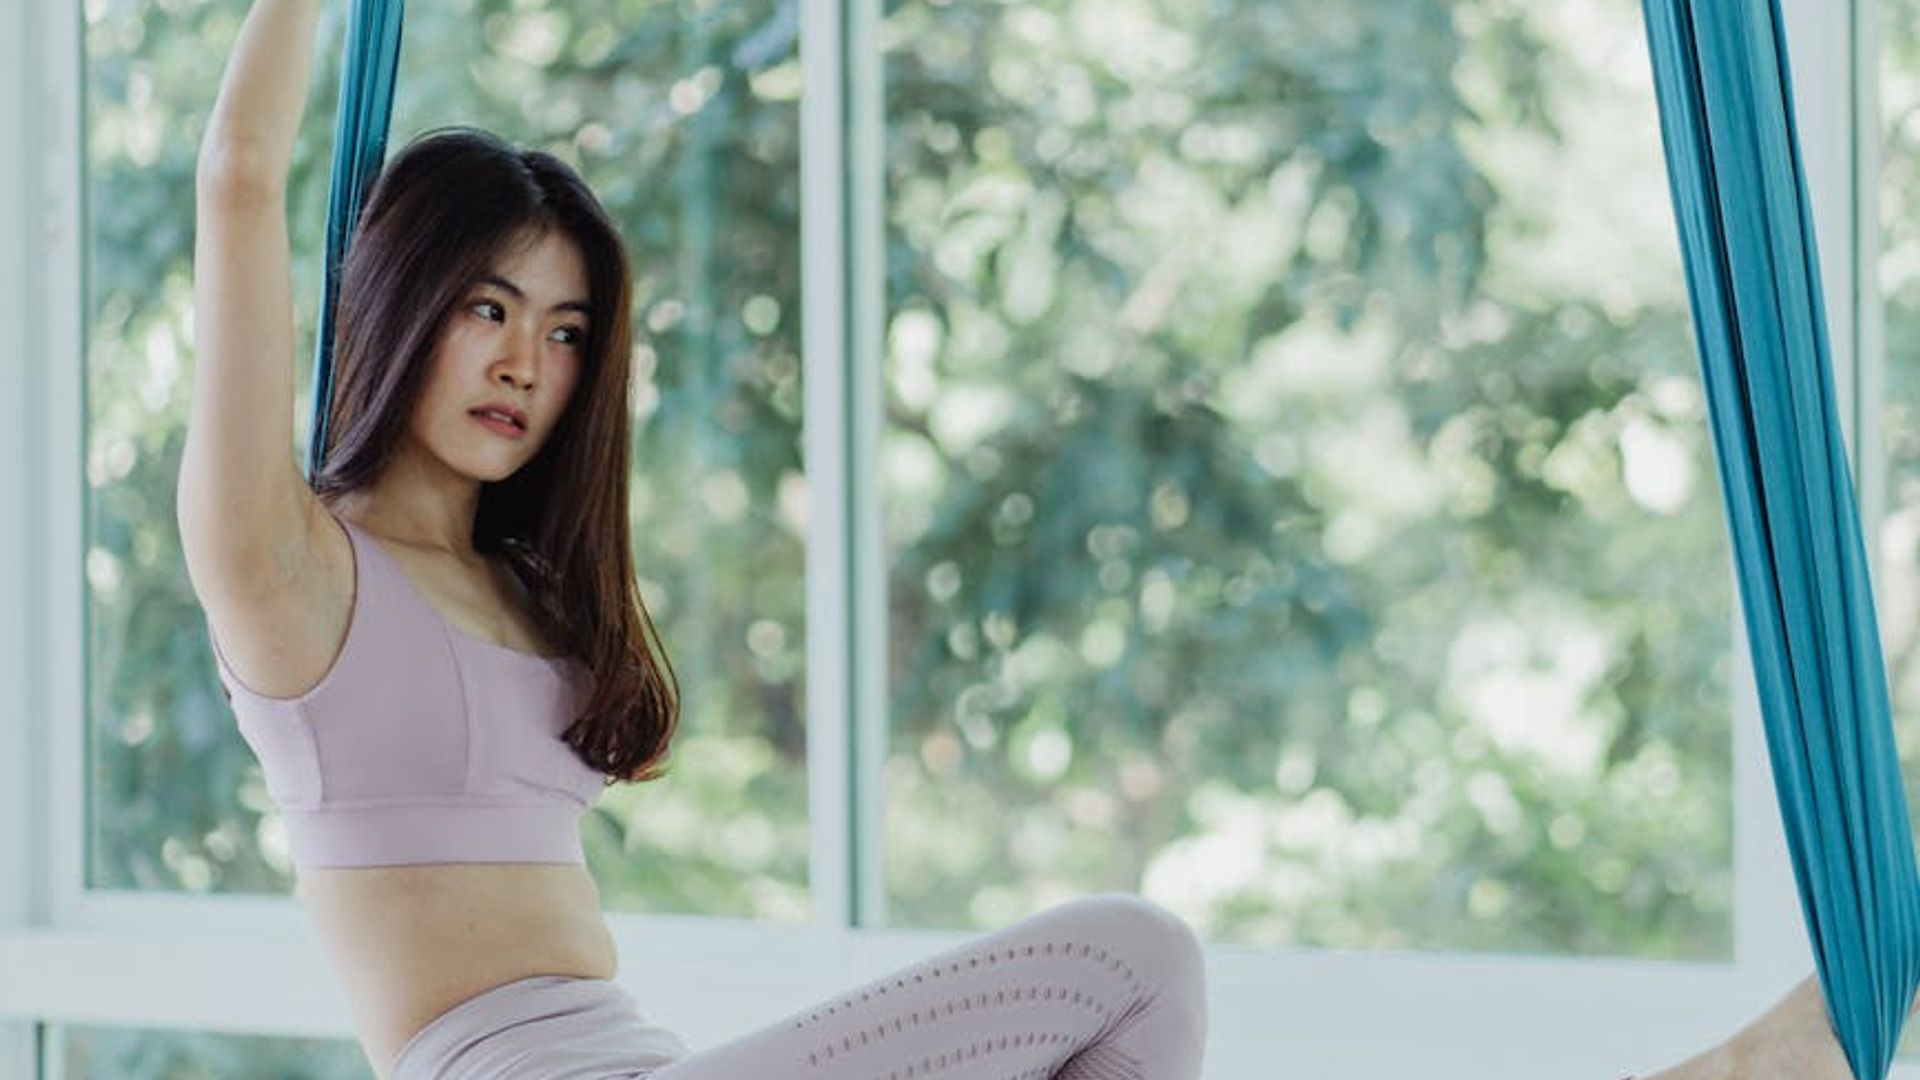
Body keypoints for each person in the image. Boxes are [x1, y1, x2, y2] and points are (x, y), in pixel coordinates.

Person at [173, 1, 1898, 1077]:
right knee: (1128, 955)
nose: (527, 365)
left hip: (651, 1062)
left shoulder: (531, 594)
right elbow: (243, 174)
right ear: (397, 300)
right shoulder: (289, 573)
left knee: (1138, 1006)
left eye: (564, 332)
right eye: (487, 307)